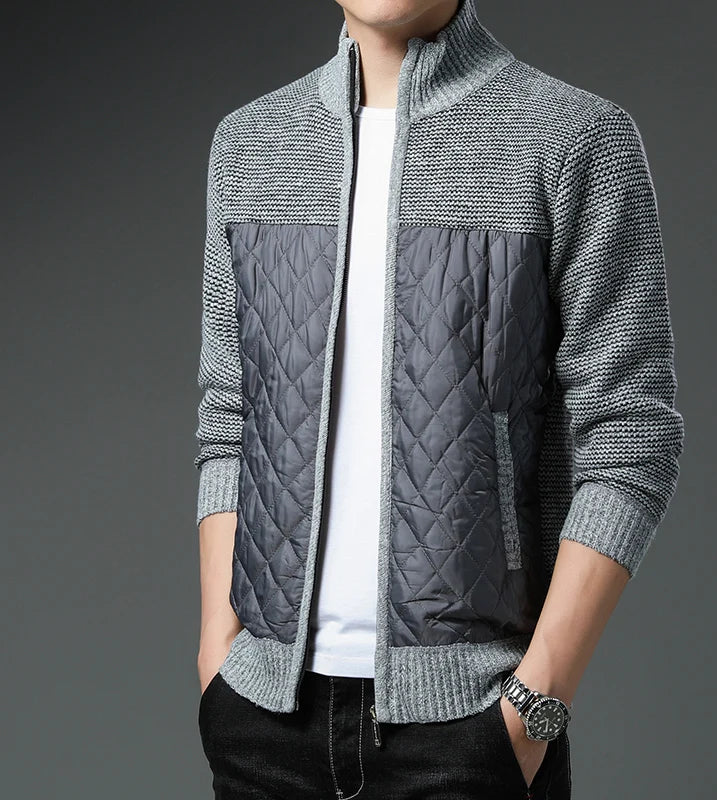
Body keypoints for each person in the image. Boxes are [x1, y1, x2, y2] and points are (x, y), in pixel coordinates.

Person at [193, 0, 685, 797]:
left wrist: (536, 704)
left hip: (472, 730)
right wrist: (219, 654)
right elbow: (230, 417)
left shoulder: (572, 137)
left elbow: (631, 437)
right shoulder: (251, 144)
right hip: (261, 723)